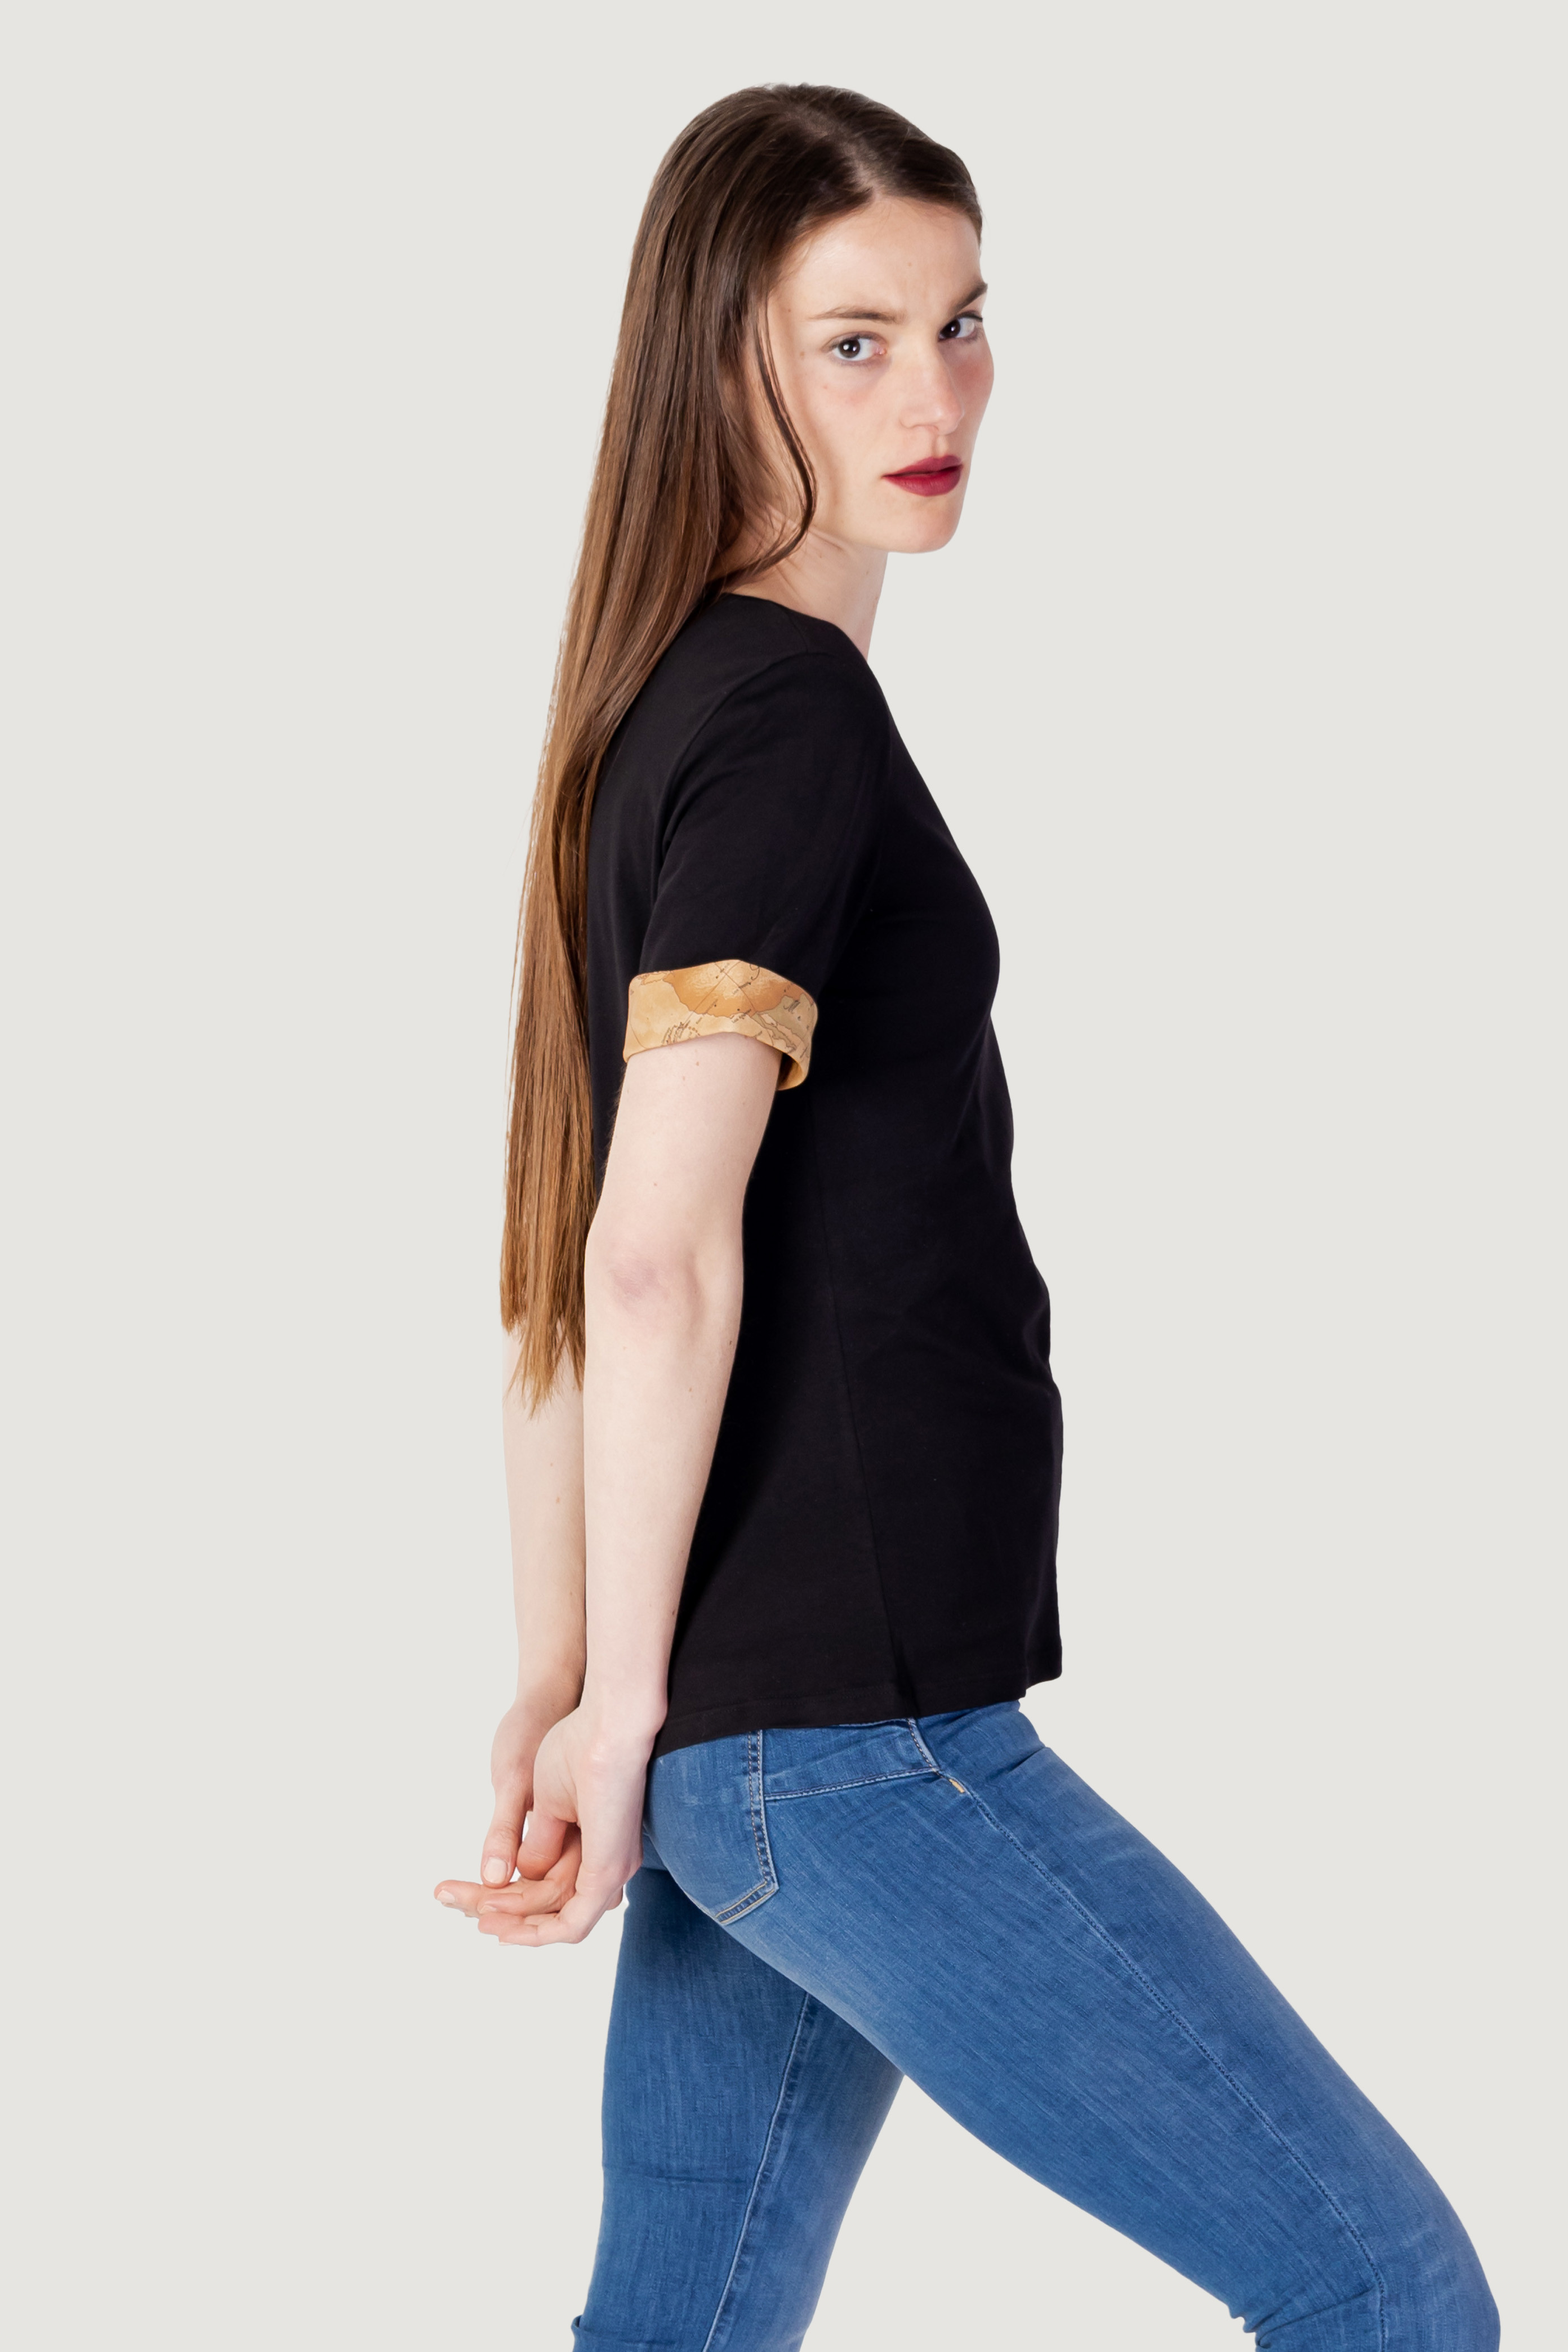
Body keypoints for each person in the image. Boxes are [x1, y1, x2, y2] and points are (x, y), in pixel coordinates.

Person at [435, 83, 1498, 2352]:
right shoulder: (785, 723)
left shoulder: (657, 714)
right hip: (852, 1737)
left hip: (749, 1746)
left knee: (680, 2324)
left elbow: (561, 1266)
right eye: (855, 342)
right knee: (1387, 2289)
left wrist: (577, 1680)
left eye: (964, 322)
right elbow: (641, 1253)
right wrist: (601, 1713)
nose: (936, 399)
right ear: (721, 358)